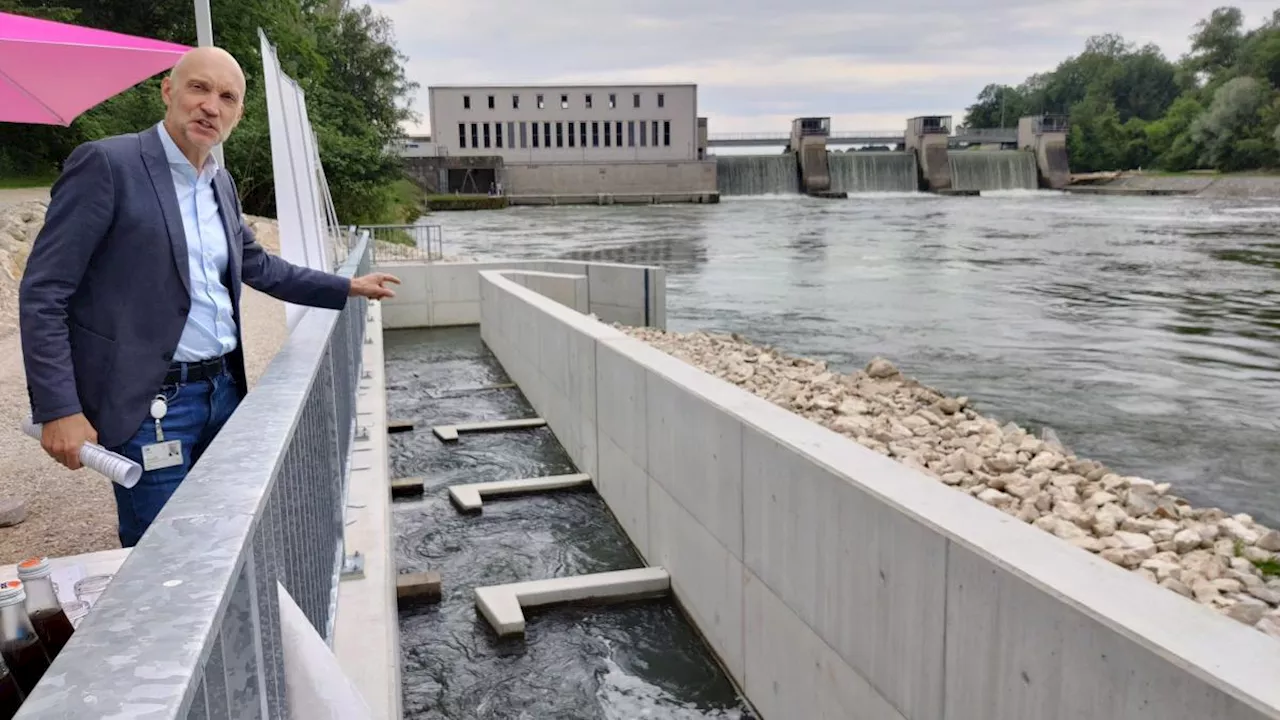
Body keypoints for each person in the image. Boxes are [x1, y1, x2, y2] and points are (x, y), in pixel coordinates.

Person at [18, 46, 400, 548]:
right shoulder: (108, 165)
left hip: (223, 392)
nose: (210, 106)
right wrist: (58, 408)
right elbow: (44, 291)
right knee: (161, 553)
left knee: (223, 542)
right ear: (168, 91)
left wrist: (345, 285)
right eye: (198, 88)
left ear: (238, 115)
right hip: (152, 406)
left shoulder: (219, 182)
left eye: (227, 97)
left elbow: (258, 267)